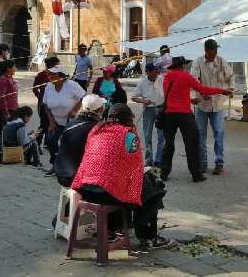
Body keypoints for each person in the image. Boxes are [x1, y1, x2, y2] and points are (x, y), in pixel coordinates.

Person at [72, 103, 174, 249]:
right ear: (128, 118)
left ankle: (114, 230)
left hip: (85, 190)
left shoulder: (96, 130)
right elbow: (137, 166)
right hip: (105, 193)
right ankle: (148, 237)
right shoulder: (129, 135)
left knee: (115, 184)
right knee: (152, 192)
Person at [160, 56, 233, 182]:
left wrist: (190, 100)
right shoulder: (185, 76)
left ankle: (164, 173)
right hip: (184, 114)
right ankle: (196, 174)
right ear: (182, 65)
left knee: (168, 145)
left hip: (169, 114)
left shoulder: (166, 78)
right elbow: (203, 89)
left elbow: (174, 96)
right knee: (191, 144)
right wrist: (222, 91)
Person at [190, 39, 234, 176]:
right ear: (206, 51)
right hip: (202, 104)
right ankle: (202, 163)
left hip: (218, 104)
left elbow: (231, 77)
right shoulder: (197, 62)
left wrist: (231, 88)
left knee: (219, 134)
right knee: (200, 135)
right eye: (213, 50)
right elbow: (193, 80)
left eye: (216, 50)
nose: (215, 53)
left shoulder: (222, 61)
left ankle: (219, 163)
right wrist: (201, 92)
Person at [55, 94, 107, 187]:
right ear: (100, 110)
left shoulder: (71, 124)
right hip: (77, 178)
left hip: (61, 173)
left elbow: (60, 145)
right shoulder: (97, 129)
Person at [42, 66, 86, 176]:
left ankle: (73, 168)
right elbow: (46, 106)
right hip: (55, 120)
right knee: (51, 141)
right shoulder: (49, 87)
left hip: (71, 120)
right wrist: (51, 121)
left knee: (70, 144)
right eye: (50, 73)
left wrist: (75, 110)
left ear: (62, 77)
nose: (50, 76)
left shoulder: (72, 85)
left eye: (53, 74)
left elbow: (83, 97)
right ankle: (55, 165)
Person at [132, 63, 165, 167]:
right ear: (148, 72)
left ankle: (158, 159)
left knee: (162, 135)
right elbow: (134, 97)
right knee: (147, 135)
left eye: (157, 71)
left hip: (161, 108)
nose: (156, 73)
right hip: (149, 109)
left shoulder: (161, 79)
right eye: (154, 71)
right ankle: (148, 159)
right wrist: (144, 100)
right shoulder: (143, 82)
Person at [32, 56, 60, 151]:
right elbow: (35, 88)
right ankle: (37, 141)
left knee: (51, 123)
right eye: (57, 65)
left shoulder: (57, 75)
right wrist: (41, 98)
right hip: (44, 104)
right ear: (52, 65)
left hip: (54, 104)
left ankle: (47, 142)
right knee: (43, 124)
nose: (58, 67)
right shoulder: (41, 75)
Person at [0, 60, 18, 127]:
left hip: (12, 109)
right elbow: (2, 97)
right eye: (14, 67)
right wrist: (6, 113)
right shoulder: (2, 79)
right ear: (8, 68)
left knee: (10, 132)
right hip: (6, 110)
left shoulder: (9, 78)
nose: (16, 69)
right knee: (5, 132)